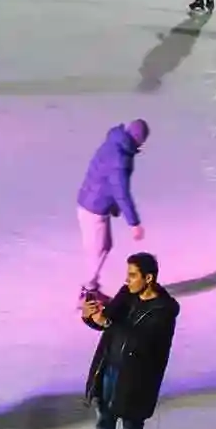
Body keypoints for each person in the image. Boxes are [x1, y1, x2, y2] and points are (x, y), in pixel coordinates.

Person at [80, 253, 179, 429]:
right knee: (103, 419)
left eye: (133, 275)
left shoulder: (165, 310)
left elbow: (143, 343)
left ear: (149, 278)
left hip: (136, 381)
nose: (127, 280)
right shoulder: (127, 293)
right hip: (109, 369)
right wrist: (91, 316)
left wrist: (109, 321)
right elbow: (108, 322)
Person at [76, 120, 148, 297]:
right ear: (139, 140)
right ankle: (88, 293)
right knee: (98, 251)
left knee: (104, 247)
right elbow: (121, 192)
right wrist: (134, 223)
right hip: (93, 209)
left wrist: (113, 205)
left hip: (91, 202)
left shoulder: (114, 143)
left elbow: (108, 181)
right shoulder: (121, 159)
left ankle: (90, 289)